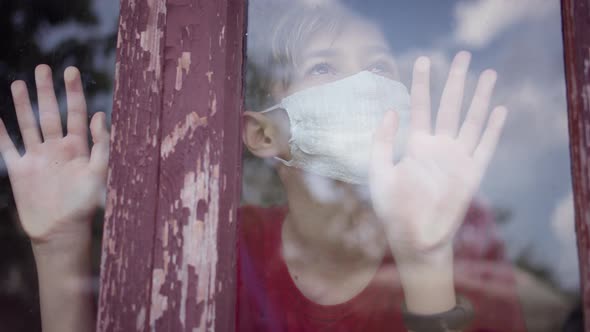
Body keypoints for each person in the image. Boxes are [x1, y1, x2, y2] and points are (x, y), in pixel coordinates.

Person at [0, 2, 569, 332]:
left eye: (378, 66)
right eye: (325, 68)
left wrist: (425, 260)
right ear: (263, 131)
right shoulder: (219, 241)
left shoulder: (461, 233)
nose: (363, 86)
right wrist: (59, 248)